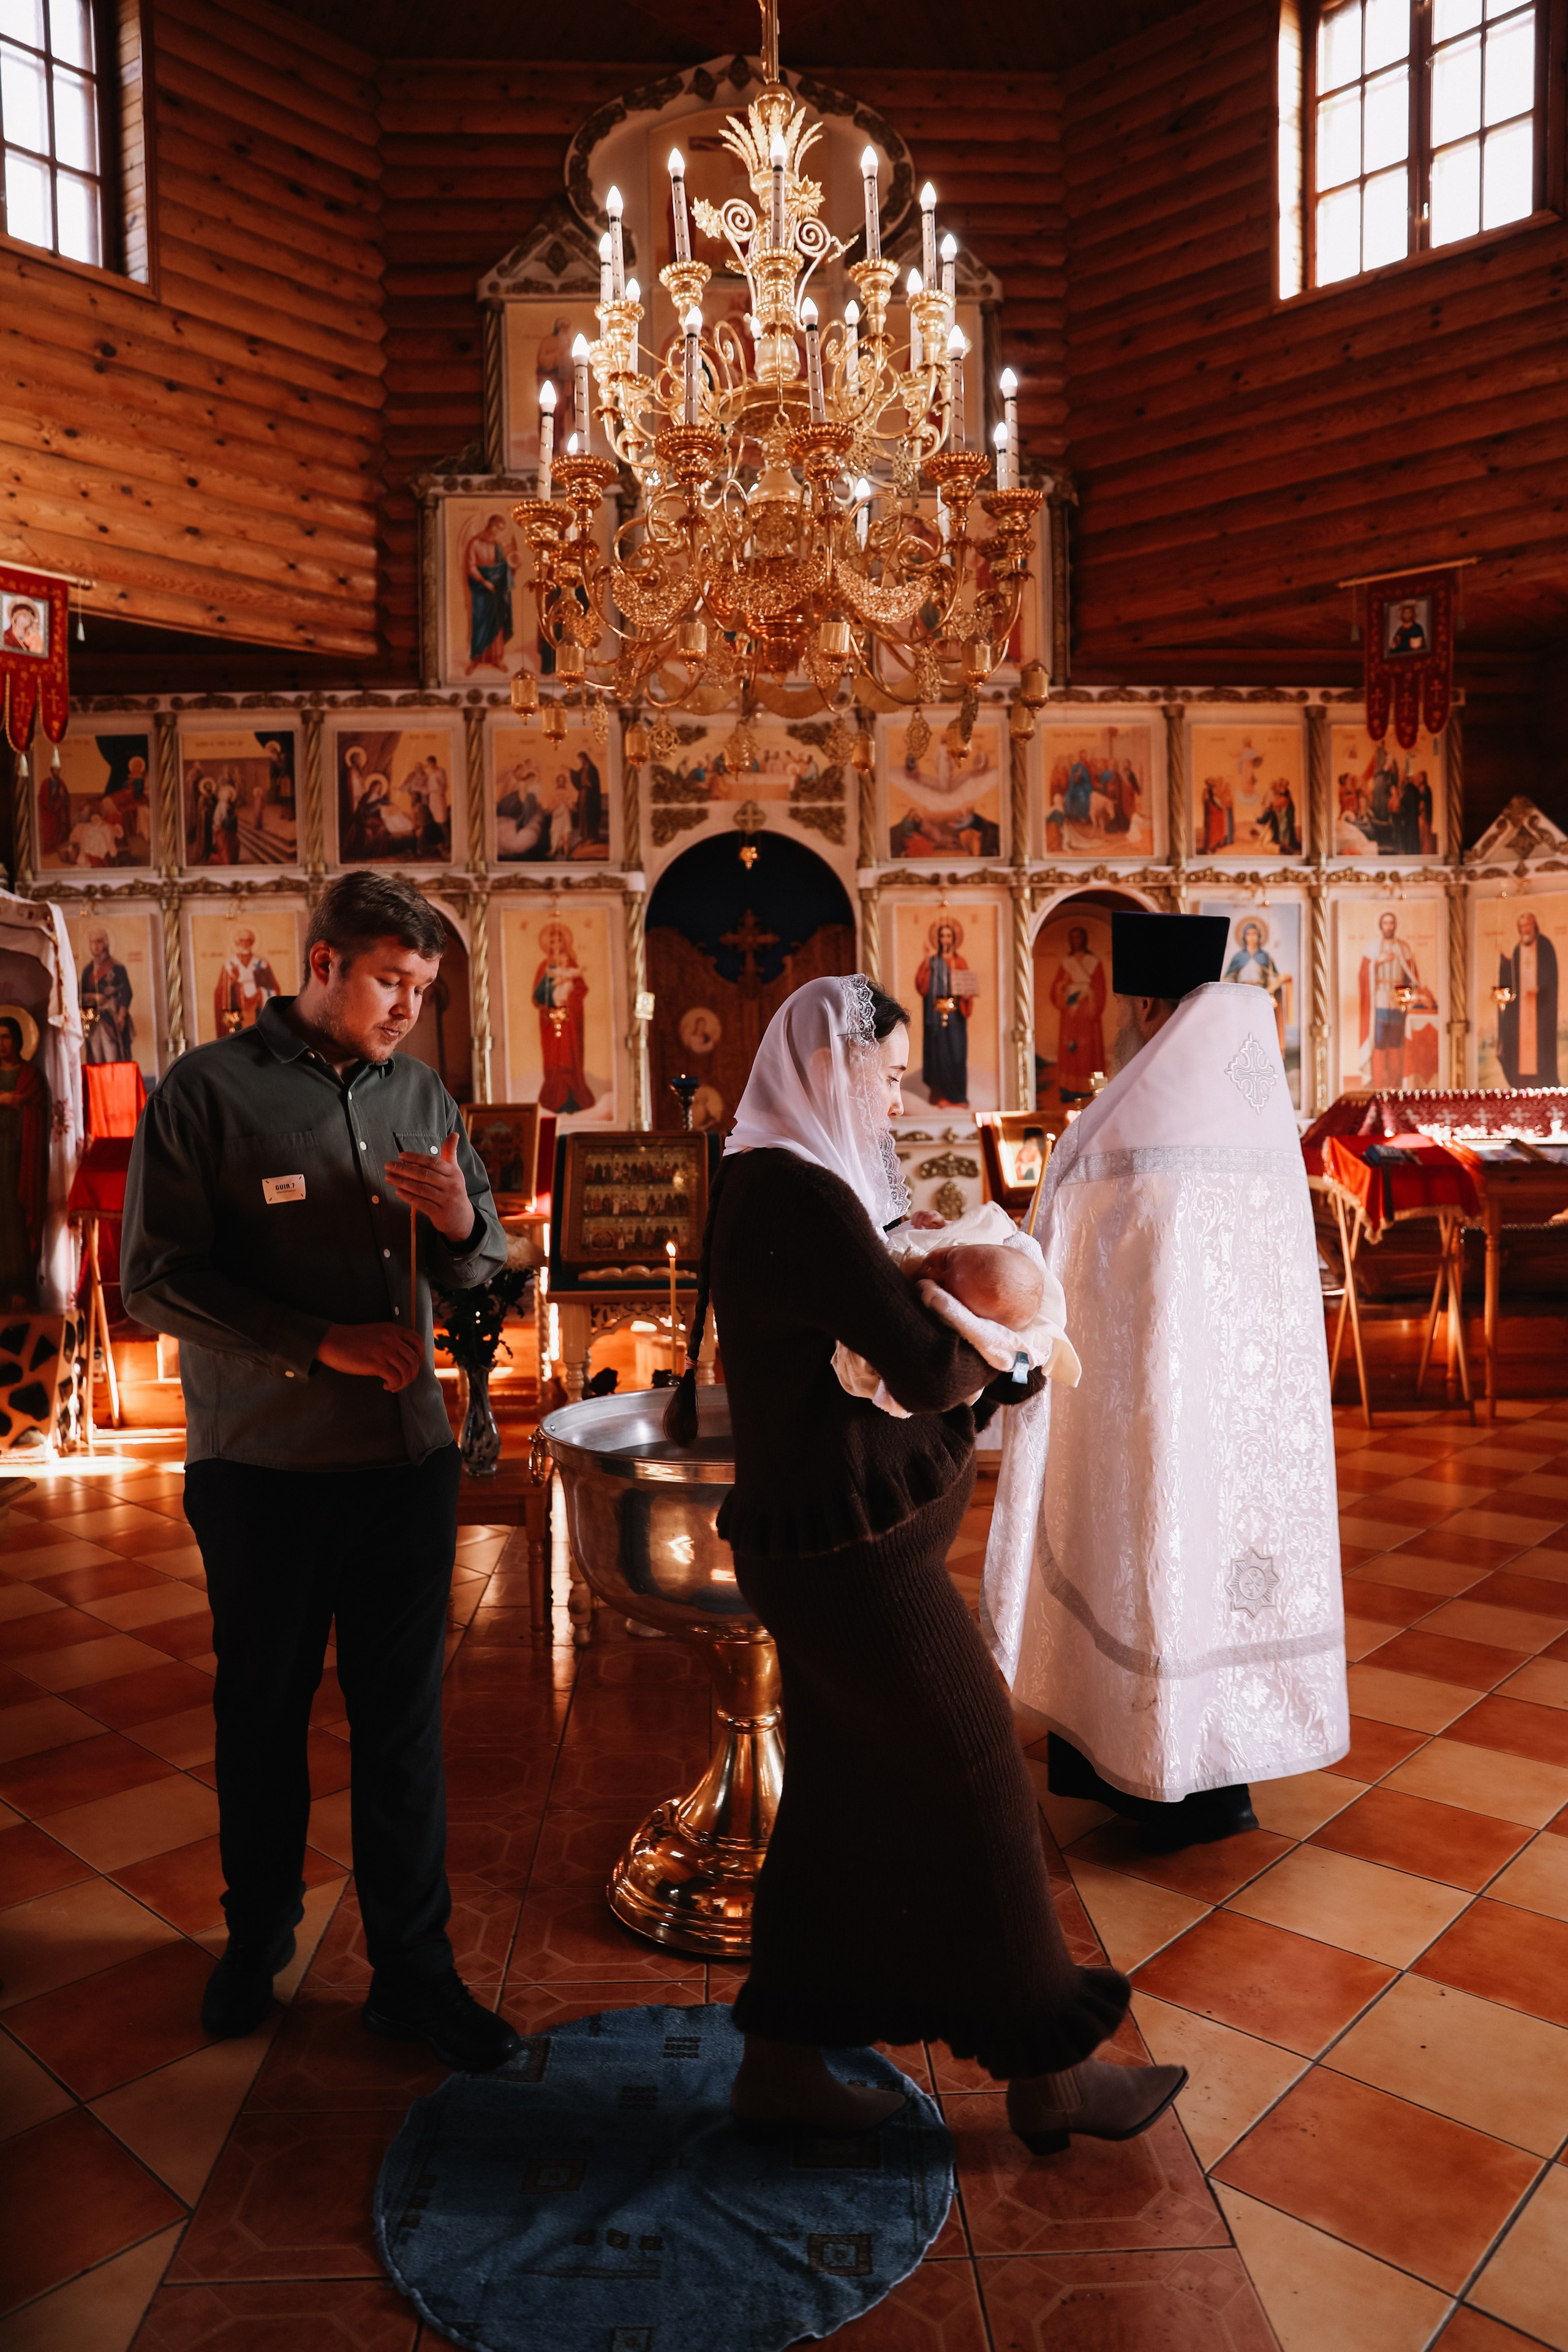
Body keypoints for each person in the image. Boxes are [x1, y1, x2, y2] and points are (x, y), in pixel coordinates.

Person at [668, 974, 1180, 2152]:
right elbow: (920, 1368)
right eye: (886, 1077)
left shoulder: (783, 1179)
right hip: (851, 1558)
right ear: (830, 1068)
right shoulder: (794, 1194)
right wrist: (1009, 1346)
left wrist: (966, 1314)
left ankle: (782, 2065)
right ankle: (1054, 2074)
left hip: (836, 1543)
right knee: (981, 1770)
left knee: (840, 1802)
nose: (895, 1105)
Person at [121, 873, 518, 2070]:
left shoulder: (422, 1095)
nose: (408, 1009)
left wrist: (458, 1227)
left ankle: (414, 1973)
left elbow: (485, 1272)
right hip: (264, 1471)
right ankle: (258, 1940)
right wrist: (320, 1342)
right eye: (391, 982)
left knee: (400, 1731)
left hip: (405, 1467)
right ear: (322, 963)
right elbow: (154, 1279)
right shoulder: (207, 1091)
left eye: (424, 990)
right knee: (263, 1714)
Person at [984, 912, 1348, 1852]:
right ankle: (1223, 1777)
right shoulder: (1253, 1109)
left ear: (1147, 1006)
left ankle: (1157, 1779)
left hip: (1150, 1406)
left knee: (1156, 1556)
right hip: (1244, 1414)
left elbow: (1072, 1252)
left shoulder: (1129, 1129)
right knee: (1217, 1564)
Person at [0, 1016, 49, 1307]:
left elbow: (37, 1111)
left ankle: (18, 1283)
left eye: (6, 1037)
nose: (1, 1044)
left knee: (14, 1214)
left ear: (18, 1040)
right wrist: (6, 1099)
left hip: (18, 1160)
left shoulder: (31, 1076)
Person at [1359, 908, 1424, 1087]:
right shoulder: (1372, 948)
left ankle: (1395, 1084)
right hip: (1379, 999)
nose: (1389, 926)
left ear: (1395, 925)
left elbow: (1413, 974)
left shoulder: (1403, 948)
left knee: (1396, 1042)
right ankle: (1379, 1084)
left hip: (1398, 1002)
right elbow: (1363, 975)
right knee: (1380, 1042)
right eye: (1386, 923)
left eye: (1392, 923)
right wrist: (1377, 962)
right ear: (1381, 926)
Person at [1498, 909, 1559, 1088]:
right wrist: (1505, 964)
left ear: (1535, 927)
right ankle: (1521, 1084)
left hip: (1541, 1010)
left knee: (1540, 1050)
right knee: (1520, 1049)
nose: (1525, 930)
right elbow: (1514, 976)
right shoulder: (1518, 949)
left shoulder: (1545, 945)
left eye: (1528, 926)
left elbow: (1551, 973)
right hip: (1522, 1010)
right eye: (1521, 926)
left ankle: (1544, 1085)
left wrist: (1540, 988)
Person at [914, 918, 973, 1107]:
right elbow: (923, 987)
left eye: (948, 936)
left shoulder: (960, 961)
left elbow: (968, 989)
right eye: (942, 936)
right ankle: (941, 1096)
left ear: (953, 939)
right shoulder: (932, 962)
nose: (945, 939)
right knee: (940, 1053)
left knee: (956, 1053)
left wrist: (965, 994)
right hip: (937, 1014)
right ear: (938, 939)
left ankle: (958, 1097)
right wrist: (925, 961)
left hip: (956, 1014)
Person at [1049, 925, 1106, 1102]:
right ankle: (1069, 1090)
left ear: (1084, 940)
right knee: (1070, 1049)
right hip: (1070, 1014)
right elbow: (1056, 988)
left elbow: (1100, 988)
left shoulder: (1094, 962)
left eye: (1079, 938)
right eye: (1073, 938)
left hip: (1087, 1013)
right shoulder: (1066, 963)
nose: (1076, 941)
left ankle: (1089, 1090)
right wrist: (1062, 986)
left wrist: (1088, 994)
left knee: (1087, 1051)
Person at [81, 929, 136, 1064]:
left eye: (99, 942)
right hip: (92, 1020)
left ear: (106, 944)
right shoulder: (88, 971)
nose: (95, 946)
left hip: (111, 1019)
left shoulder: (117, 968)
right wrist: (94, 997)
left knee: (112, 1056)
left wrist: (121, 1016)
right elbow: (80, 994)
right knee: (96, 1057)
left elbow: (127, 993)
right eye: (92, 942)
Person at [213, 928, 281, 1036]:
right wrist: (235, 982)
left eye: (248, 941)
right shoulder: (230, 965)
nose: (245, 944)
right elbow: (222, 993)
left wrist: (259, 992)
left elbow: (270, 990)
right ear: (237, 943)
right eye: (242, 941)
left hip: (258, 1010)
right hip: (237, 1012)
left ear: (252, 942)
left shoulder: (260, 963)